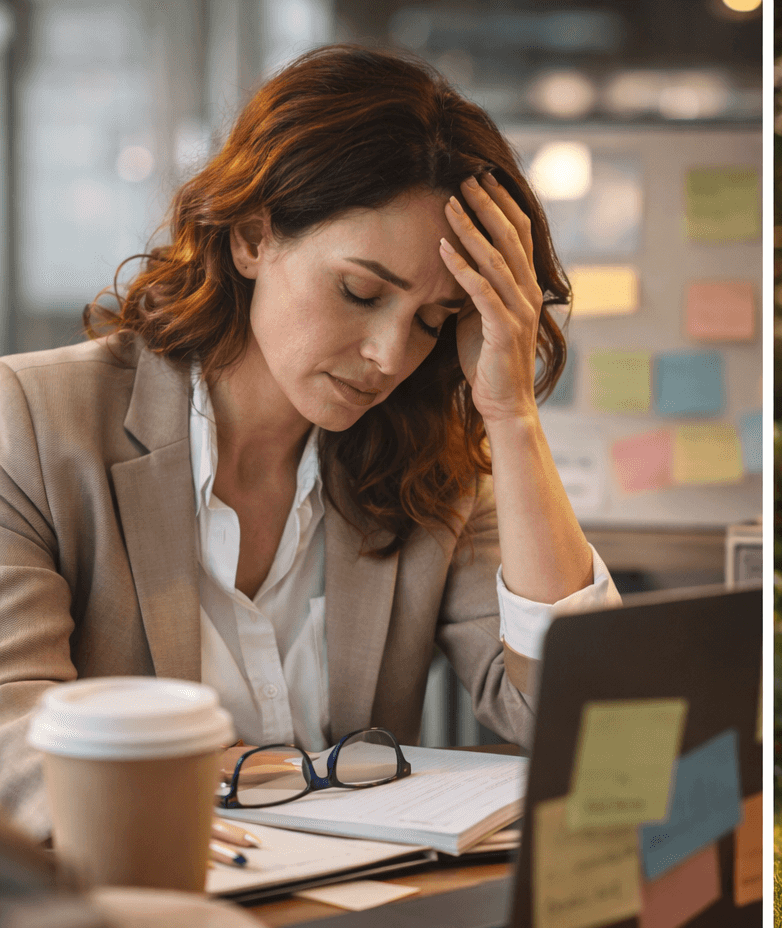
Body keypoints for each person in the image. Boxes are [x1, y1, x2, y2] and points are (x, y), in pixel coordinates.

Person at [0, 44, 621, 839]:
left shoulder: (431, 464)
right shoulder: (33, 423)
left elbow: (576, 717)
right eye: (360, 292)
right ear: (254, 237)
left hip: (358, 913)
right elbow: (16, 728)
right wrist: (206, 788)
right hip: (140, 902)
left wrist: (511, 414)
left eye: (434, 323)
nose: (390, 356)